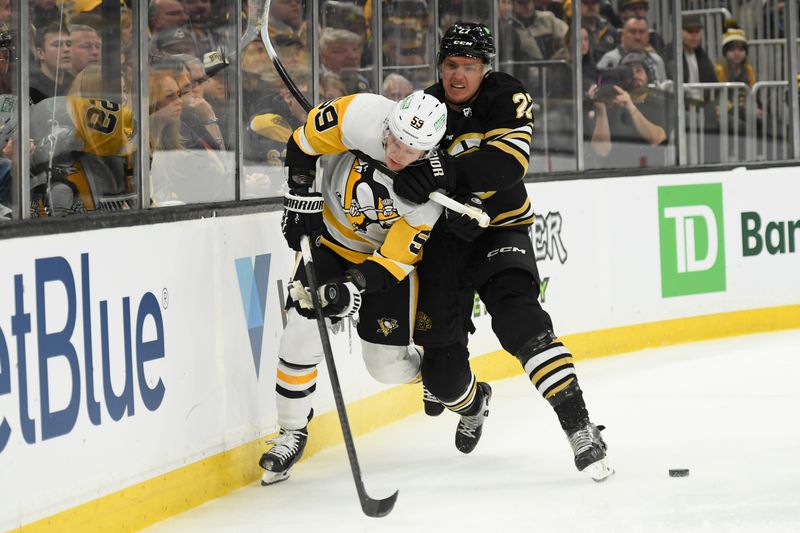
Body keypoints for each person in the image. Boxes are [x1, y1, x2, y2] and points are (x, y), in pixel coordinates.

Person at [391, 22, 614, 481]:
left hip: (499, 229)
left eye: (469, 67)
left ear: (485, 69)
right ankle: (474, 402)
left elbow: (508, 164)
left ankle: (580, 427)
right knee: (441, 379)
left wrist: (439, 171)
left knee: (521, 322)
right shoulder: (423, 108)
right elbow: (398, 166)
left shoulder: (505, 95)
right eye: (451, 65)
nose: (458, 76)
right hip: (444, 244)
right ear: (440, 66)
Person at [258, 90, 451, 485]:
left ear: (431, 149)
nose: (397, 154)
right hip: (328, 238)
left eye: (410, 150)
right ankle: (291, 432)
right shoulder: (360, 114)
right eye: (394, 140)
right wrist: (299, 198)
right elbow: (302, 143)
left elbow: (394, 262)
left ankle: (430, 376)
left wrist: (353, 286)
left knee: (387, 368)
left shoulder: (431, 198)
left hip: (377, 262)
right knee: (300, 331)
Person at [589, 51, 671, 168]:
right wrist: (601, 111)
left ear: (649, 74)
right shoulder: (611, 103)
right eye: (628, 72)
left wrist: (630, 106)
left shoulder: (658, 102)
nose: (634, 75)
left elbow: (657, 139)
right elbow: (601, 150)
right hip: (616, 172)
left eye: (639, 70)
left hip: (651, 172)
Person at [597, 16, 668, 85]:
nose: (637, 37)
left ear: (648, 37)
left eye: (642, 32)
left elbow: (664, 91)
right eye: (632, 32)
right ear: (622, 36)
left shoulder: (657, 61)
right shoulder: (610, 60)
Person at [30, 23, 73, 104]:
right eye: (57, 45)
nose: (66, 49)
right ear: (40, 53)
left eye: (69, 44)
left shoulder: (75, 82)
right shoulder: (32, 88)